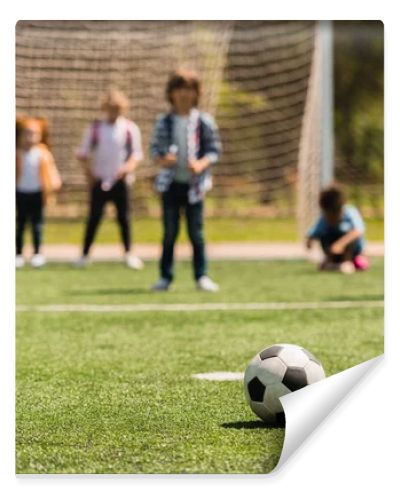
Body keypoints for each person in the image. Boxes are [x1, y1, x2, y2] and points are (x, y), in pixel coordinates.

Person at [150, 69, 222, 292]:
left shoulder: (204, 121)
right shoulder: (164, 122)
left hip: (195, 187)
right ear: (171, 93)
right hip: (170, 185)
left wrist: (201, 164)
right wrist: (163, 159)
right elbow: (154, 150)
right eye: (179, 89)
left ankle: (201, 276)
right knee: (169, 232)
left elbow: (214, 150)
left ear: (196, 93)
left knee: (196, 233)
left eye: (189, 89)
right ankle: (165, 276)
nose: (184, 94)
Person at [75, 90, 144, 269]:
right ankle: (84, 254)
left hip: (121, 182)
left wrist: (126, 169)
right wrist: (89, 174)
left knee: (124, 218)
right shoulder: (96, 128)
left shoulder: (129, 128)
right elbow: (83, 153)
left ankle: (128, 253)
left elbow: (136, 155)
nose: (114, 112)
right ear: (105, 108)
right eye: (111, 108)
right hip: (99, 180)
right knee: (94, 218)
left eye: (118, 109)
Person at [16, 116, 62, 268]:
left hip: (37, 192)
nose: (30, 137)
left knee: (37, 224)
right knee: (20, 224)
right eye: (27, 133)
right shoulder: (16, 152)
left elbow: (51, 170)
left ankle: (37, 253)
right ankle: (18, 253)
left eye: (34, 133)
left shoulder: (43, 153)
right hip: (20, 192)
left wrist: (55, 182)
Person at [306, 184, 369, 273]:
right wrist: (309, 242)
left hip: (353, 252)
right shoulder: (324, 218)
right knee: (325, 234)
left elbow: (358, 231)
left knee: (350, 236)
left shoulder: (350, 213)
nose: (330, 218)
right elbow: (313, 233)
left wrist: (340, 244)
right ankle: (331, 262)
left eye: (332, 215)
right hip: (333, 253)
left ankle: (349, 261)